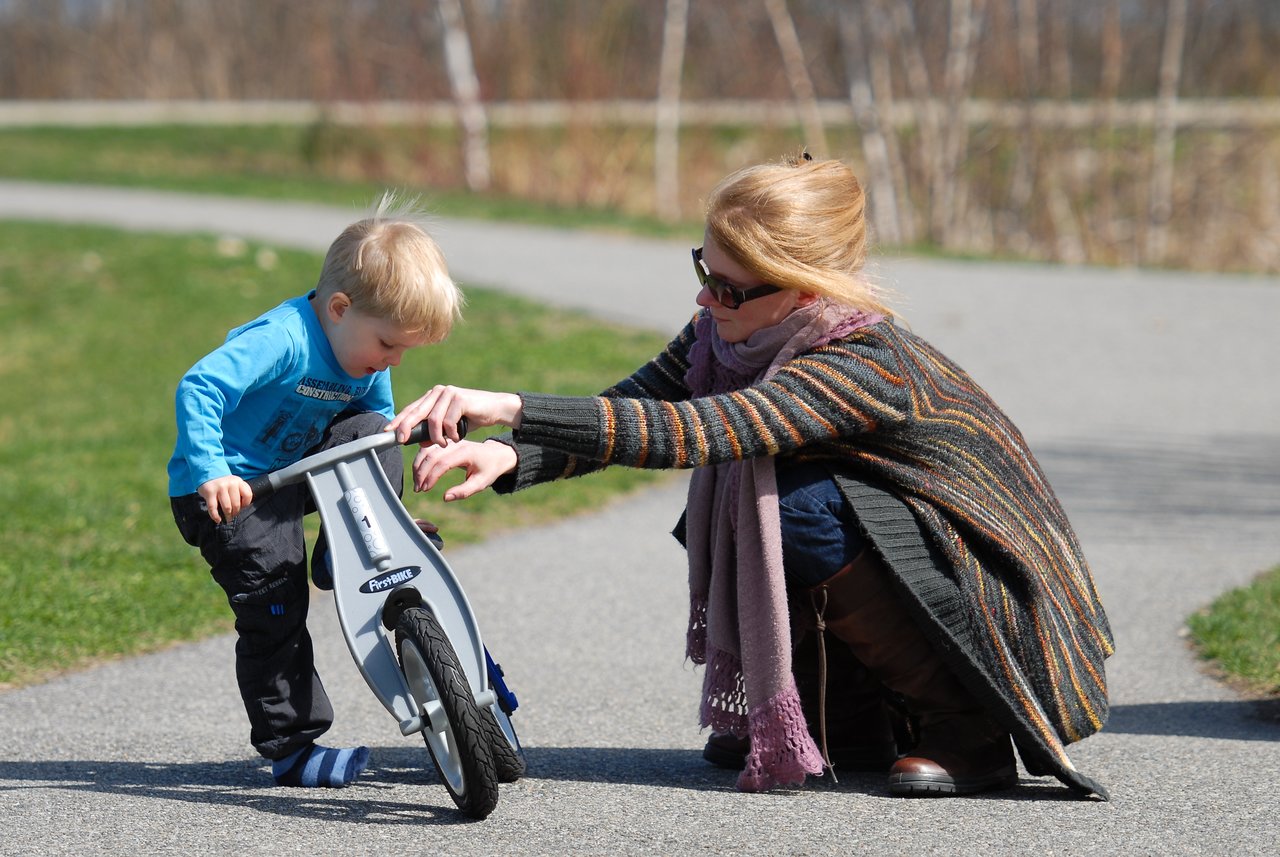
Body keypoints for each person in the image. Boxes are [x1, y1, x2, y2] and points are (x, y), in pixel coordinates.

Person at [387, 155, 1114, 799]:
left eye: (730, 289)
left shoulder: (860, 359)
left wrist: (513, 405)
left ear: (803, 289)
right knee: (770, 505)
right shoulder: (729, 331)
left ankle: (966, 728)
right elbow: (643, 403)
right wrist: (515, 452)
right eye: (705, 271)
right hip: (916, 548)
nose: (708, 299)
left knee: (792, 509)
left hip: (992, 586)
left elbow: (700, 431)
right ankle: (845, 721)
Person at [168, 194, 462, 789]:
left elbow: (371, 430)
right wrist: (212, 470)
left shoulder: (365, 355)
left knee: (375, 432)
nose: (394, 360)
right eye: (388, 345)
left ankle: (345, 549)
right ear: (338, 307)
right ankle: (294, 750)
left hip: (297, 472)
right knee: (276, 604)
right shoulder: (284, 339)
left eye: (405, 350)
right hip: (234, 491)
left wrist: (419, 443)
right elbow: (199, 386)